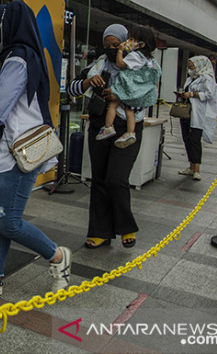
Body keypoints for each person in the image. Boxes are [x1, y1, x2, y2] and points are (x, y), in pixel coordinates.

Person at [0, 0, 72, 297]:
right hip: (3, 150)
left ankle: (58, 256)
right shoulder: (21, 58)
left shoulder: (18, 59)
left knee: (8, 221)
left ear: (6, 28)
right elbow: (12, 107)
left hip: (16, 154)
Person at [68, 23, 159, 249]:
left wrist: (120, 95)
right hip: (101, 125)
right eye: (107, 45)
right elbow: (72, 89)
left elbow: (149, 95)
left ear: (127, 43)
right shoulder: (98, 65)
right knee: (99, 180)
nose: (110, 49)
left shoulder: (143, 66)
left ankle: (126, 226)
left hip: (129, 127)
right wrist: (89, 82)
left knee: (116, 179)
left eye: (115, 45)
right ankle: (100, 232)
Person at [96, 25, 161, 148]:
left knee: (112, 105)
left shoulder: (133, 56)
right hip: (136, 96)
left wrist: (120, 51)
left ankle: (108, 127)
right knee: (130, 110)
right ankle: (130, 132)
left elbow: (120, 64)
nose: (127, 42)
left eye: (131, 39)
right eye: (107, 46)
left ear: (141, 44)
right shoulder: (150, 60)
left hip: (126, 88)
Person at [176, 56, 217, 181]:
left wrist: (193, 94)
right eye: (189, 67)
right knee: (187, 139)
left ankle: (197, 169)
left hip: (198, 113)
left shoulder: (207, 79)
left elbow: (210, 94)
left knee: (195, 139)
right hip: (187, 111)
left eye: (192, 66)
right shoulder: (190, 79)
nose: (190, 69)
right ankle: (191, 166)